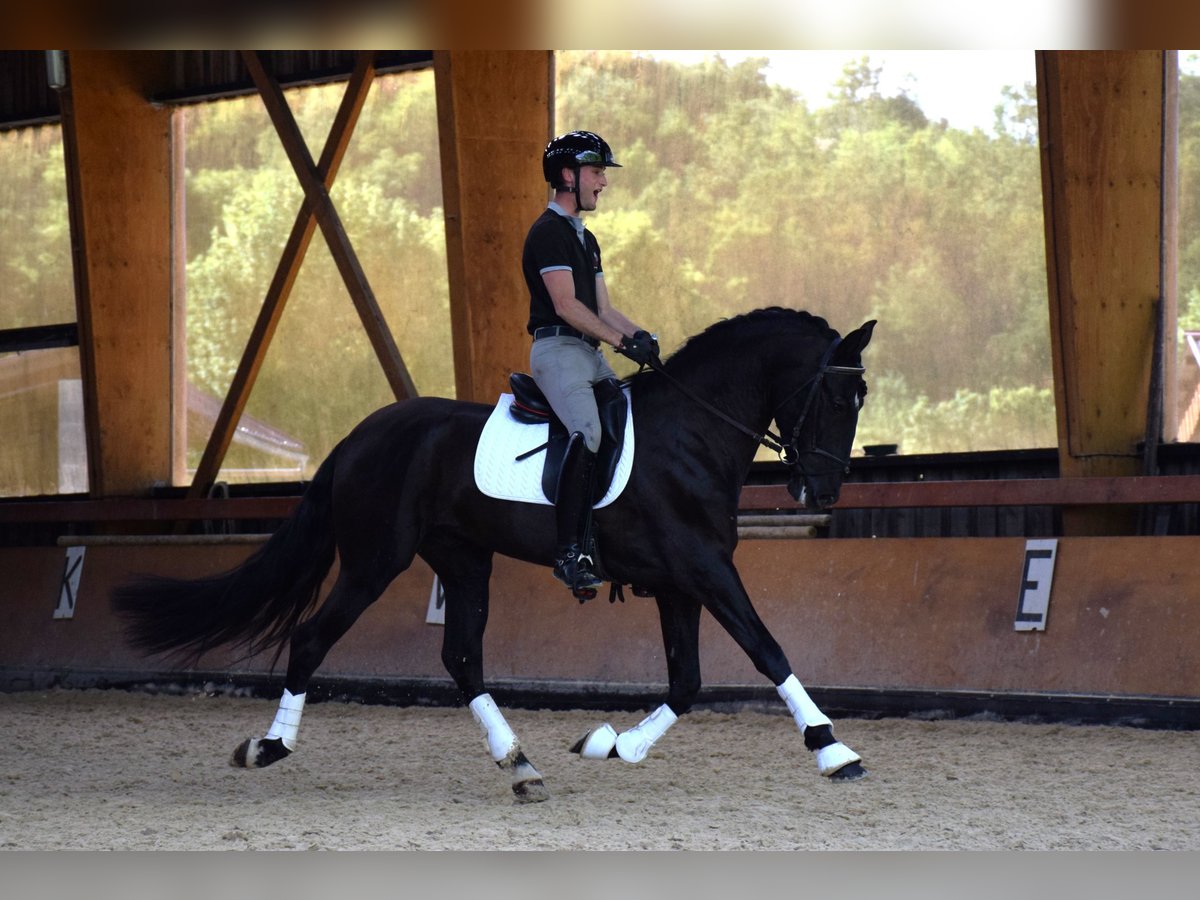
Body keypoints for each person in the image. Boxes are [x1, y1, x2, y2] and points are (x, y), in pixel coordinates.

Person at [522, 130, 659, 598]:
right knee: (590, 430)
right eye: (597, 172)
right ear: (568, 175)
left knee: (634, 422)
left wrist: (642, 337)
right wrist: (621, 342)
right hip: (559, 351)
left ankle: (628, 544)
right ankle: (567, 553)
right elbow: (566, 305)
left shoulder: (587, 238)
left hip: (589, 350)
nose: (603, 182)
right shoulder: (547, 233)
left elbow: (602, 310)